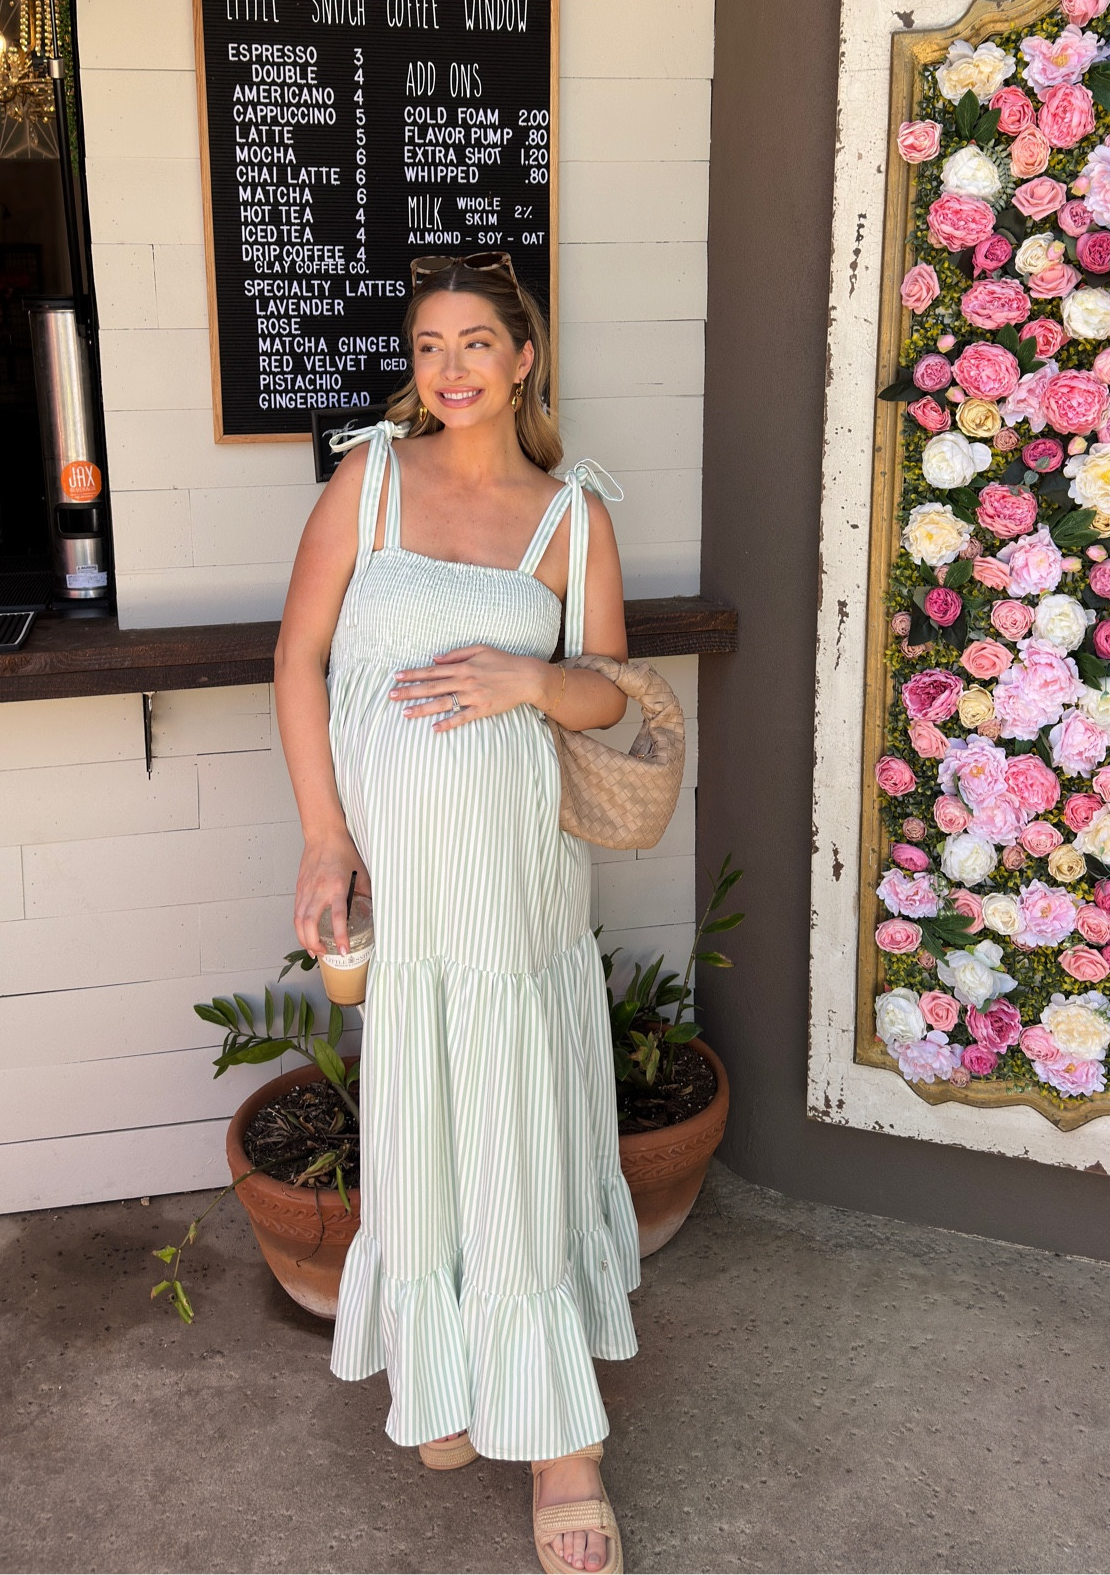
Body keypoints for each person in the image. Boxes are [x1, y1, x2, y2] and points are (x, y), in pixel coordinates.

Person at [275, 253, 637, 1575]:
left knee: (521, 1116)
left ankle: (562, 1446)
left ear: (523, 357)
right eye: (431, 345)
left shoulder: (570, 516)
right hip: (406, 883)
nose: (452, 366)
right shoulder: (366, 479)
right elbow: (298, 658)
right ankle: (449, 1372)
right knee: (429, 1115)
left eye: (478, 341)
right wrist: (324, 835)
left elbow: (617, 697)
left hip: (517, 887)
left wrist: (531, 678)